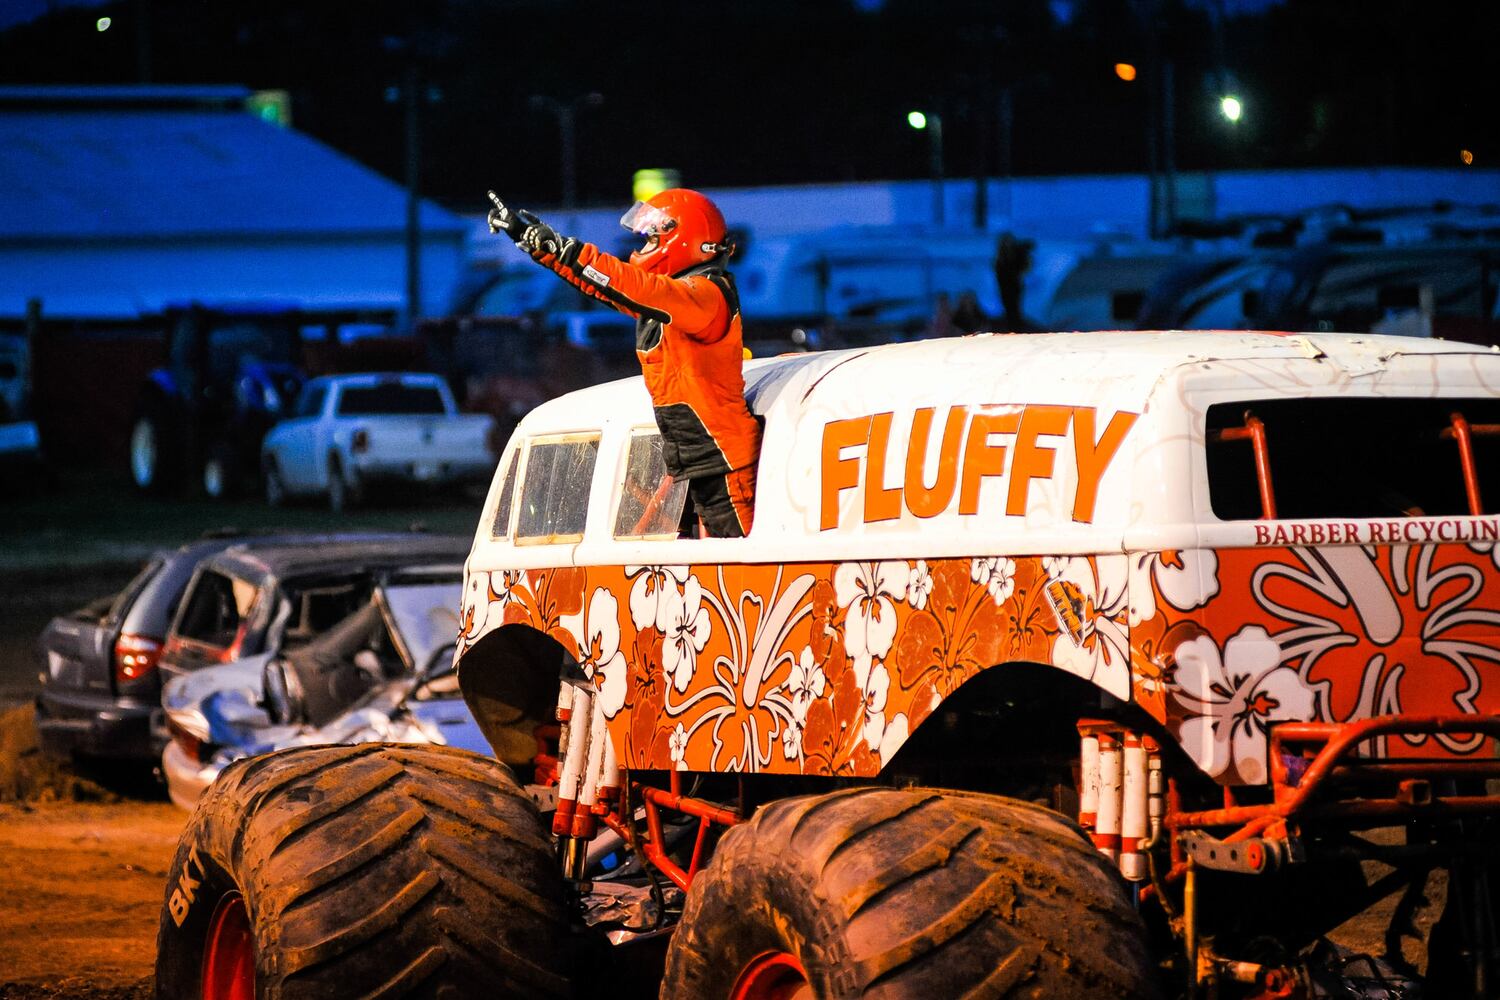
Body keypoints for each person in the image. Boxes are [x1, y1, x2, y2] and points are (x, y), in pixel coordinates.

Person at [485, 188, 760, 537]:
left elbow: (635, 286)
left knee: (734, 573)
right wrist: (538, 245)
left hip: (724, 462)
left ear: (682, 239)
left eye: (650, 237)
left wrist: (566, 249)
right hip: (697, 459)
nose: (641, 245)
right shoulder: (673, 297)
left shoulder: (707, 295)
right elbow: (606, 287)